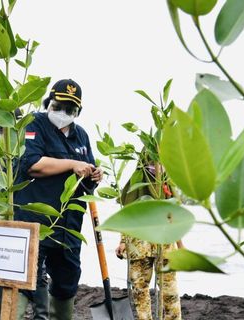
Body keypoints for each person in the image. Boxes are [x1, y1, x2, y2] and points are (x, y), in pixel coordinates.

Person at [12, 79, 103, 320]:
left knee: (67, 281)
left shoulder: (81, 136)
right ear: (49, 103)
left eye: (70, 109)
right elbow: (31, 165)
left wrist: (93, 174)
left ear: (78, 111)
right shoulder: (34, 124)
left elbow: (86, 177)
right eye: (58, 106)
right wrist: (73, 164)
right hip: (36, 220)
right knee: (26, 279)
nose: (63, 113)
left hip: (69, 225)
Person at [115, 159, 183, 320]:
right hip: (139, 245)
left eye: (160, 162)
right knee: (139, 289)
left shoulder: (168, 184)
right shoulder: (136, 182)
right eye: (152, 162)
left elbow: (176, 218)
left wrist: (181, 245)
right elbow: (127, 214)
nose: (157, 167)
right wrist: (123, 241)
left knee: (170, 292)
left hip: (165, 245)